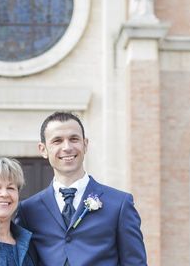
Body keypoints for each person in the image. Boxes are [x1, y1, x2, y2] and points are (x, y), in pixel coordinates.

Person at [16, 112, 147, 266]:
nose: (67, 147)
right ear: (43, 149)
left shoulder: (120, 204)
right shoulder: (28, 210)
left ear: (85, 144)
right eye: (57, 141)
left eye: (74, 139)